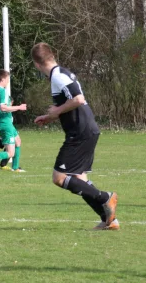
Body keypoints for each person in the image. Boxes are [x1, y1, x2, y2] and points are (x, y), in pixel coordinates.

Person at [31, 42, 118, 230]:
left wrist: (56, 112)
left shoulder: (58, 76)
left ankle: (105, 198)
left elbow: (78, 99)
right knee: (79, 178)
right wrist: (50, 117)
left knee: (59, 177)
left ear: (37, 65)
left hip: (80, 132)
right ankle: (109, 220)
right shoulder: (61, 73)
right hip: (86, 129)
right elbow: (70, 103)